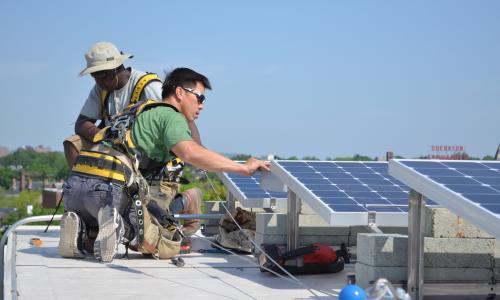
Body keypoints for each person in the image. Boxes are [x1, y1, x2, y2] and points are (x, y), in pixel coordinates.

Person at [58, 67, 269, 262]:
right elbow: (190, 151)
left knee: (109, 219)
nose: (202, 105)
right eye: (200, 97)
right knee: (164, 243)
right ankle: (124, 229)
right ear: (180, 93)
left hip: (75, 188)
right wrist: (243, 168)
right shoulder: (171, 116)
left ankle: (85, 231)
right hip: (107, 192)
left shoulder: (136, 108)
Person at [60, 42, 203, 253]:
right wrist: (104, 135)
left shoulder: (148, 87)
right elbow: (82, 123)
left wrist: (195, 152)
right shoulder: (101, 89)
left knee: (148, 231)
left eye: (102, 75)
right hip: (122, 160)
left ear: (116, 69)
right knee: (73, 143)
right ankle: (90, 202)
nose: (98, 81)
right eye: (95, 77)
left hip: (154, 165)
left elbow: (178, 122)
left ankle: (187, 199)